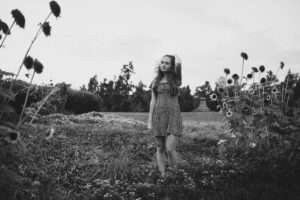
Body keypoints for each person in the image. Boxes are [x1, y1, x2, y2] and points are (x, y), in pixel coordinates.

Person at [148, 54, 183, 177]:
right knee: (160, 148)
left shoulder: (176, 80)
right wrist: (149, 121)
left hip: (173, 116)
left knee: (170, 149)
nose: (163, 65)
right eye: (162, 62)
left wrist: (174, 57)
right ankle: (163, 175)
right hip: (158, 117)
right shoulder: (155, 81)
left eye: (167, 63)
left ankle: (174, 175)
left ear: (172, 66)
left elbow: (179, 63)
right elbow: (152, 101)